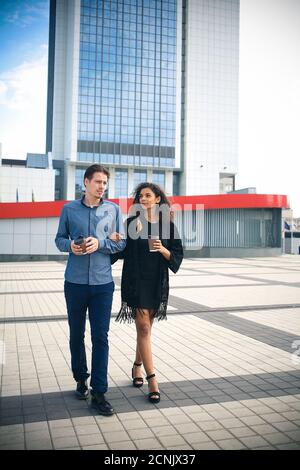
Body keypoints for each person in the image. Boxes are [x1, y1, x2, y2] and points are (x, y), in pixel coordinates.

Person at [55, 164, 126, 416]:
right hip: (74, 283)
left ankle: (99, 392)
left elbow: (122, 243)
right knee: (76, 334)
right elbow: (59, 239)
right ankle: (80, 378)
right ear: (85, 182)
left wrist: (101, 243)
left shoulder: (114, 210)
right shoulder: (69, 209)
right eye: (97, 181)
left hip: (103, 285)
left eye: (104, 182)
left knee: (100, 338)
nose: (101, 186)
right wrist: (70, 246)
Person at [111, 183, 183, 404]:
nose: (143, 199)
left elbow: (178, 255)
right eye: (140, 196)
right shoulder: (132, 223)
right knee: (143, 327)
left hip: (156, 283)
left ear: (158, 200)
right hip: (136, 281)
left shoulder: (168, 226)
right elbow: (123, 252)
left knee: (146, 329)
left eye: (148, 195)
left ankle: (137, 366)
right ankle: (152, 380)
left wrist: (162, 248)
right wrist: (117, 241)